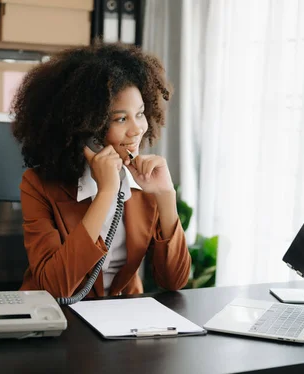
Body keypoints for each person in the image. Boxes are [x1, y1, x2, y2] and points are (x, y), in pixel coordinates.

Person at [11, 42, 190, 299]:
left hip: (120, 324)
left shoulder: (143, 183)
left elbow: (174, 281)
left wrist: (165, 196)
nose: (137, 129)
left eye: (139, 114)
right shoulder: (38, 186)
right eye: (120, 119)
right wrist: (106, 194)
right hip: (57, 323)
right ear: (86, 129)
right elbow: (54, 288)